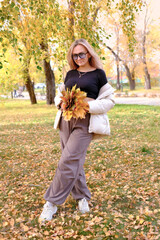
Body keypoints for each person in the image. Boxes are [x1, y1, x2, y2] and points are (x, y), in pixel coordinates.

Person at [39, 39, 115, 222]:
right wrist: (60, 102)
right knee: (74, 161)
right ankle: (82, 197)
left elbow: (110, 100)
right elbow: (60, 94)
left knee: (68, 160)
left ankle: (51, 202)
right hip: (66, 120)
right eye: (75, 55)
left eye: (82, 54)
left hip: (85, 122)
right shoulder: (71, 73)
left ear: (89, 54)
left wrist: (91, 106)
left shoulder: (99, 74)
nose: (79, 57)